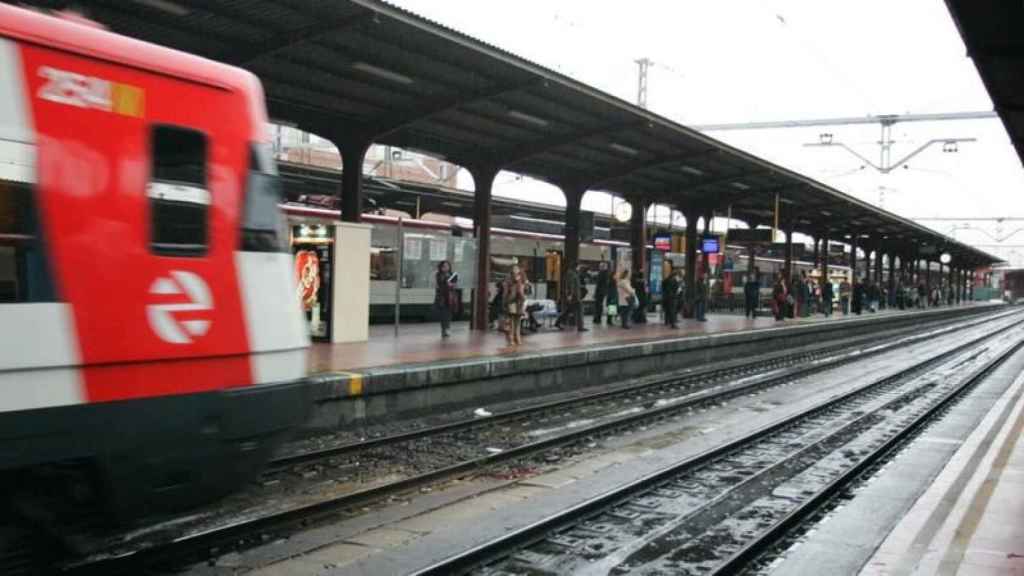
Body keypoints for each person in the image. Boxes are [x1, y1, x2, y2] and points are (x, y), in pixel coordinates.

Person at [556, 262, 588, 332]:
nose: (579, 268)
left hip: (575, 296)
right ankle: (580, 327)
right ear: (575, 266)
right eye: (578, 266)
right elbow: (570, 285)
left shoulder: (574, 273)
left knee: (568, 311)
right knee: (578, 310)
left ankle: (558, 322)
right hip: (574, 296)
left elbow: (575, 284)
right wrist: (569, 295)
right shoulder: (571, 274)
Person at [503, 265, 526, 346]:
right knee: (512, 321)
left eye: (517, 268)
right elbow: (505, 292)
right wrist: (505, 302)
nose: (516, 270)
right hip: (511, 301)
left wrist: (522, 284)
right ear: (512, 271)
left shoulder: (522, 278)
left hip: (519, 302)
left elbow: (524, 290)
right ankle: (511, 338)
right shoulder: (508, 279)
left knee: (518, 321)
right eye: (514, 269)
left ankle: (517, 336)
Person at [434, 260, 456, 338]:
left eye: (447, 266)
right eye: (444, 266)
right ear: (441, 267)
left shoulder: (452, 275)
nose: (446, 268)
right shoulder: (438, 275)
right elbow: (439, 284)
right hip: (442, 297)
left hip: (450, 297)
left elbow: (453, 285)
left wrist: (451, 284)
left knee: (448, 314)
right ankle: (444, 329)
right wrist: (447, 282)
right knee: (443, 314)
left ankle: (446, 329)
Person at [592, 261, 610, 325]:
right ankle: (609, 319)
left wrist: (595, 292)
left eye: (600, 266)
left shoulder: (602, 273)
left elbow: (598, 284)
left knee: (598, 305)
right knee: (601, 305)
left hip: (600, 292)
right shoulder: (607, 274)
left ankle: (598, 318)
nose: (599, 267)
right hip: (605, 292)